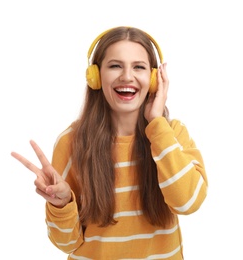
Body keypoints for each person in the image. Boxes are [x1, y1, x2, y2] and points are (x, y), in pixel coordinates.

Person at [11, 26, 208, 259]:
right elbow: (66, 244)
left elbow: (188, 203)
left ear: (155, 79)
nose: (127, 76)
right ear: (95, 76)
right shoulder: (71, 142)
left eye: (139, 67)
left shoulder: (172, 134)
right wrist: (61, 205)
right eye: (115, 66)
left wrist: (156, 124)